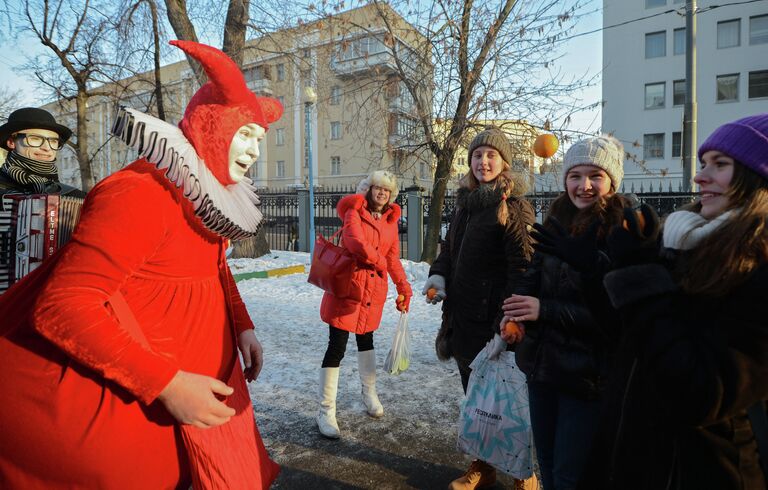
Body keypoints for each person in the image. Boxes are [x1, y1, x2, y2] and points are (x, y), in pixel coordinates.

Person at [0, 40, 282, 489]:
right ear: (212, 124)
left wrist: (242, 324)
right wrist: (167, 384)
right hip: (129, 410)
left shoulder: (204, 193)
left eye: (258, 139)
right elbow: (64, 306)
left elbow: (216, 266)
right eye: (243, 133)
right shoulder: (141, 192)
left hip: (194, 409)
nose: (252, 151)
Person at [574, 114, 768, 489]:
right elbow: (629, 340)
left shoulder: (758, 270)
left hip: (694, 470)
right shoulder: (685, 244)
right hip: (630, 452)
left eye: (720, 164)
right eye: (703, 164)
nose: (700, 177)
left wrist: (639, 277)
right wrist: (595, 275)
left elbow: (702, 394)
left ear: (757, 178)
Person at [500, 135, 631, 490]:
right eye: (575, 175)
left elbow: (614, 317)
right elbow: (534, 271)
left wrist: (545, 310)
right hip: (542, 367)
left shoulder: (622, 230)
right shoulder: (558, 216)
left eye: (595, 176)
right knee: (549, 464)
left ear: (612, 181)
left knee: (571, 476)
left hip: (586, 376)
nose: (584, 186)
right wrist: (515, 311)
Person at [423, 127, 535, 490]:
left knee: (512, 406)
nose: (483, 161)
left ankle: (524, 476)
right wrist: (438, 279)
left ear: (503, 163)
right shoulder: (465, 205)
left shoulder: (513, 206)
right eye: (477, 155)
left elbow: (523, 265)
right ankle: (483, 468)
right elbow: (448, 252)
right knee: (477, 403)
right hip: (463, 321)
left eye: (491, 155)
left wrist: (510, 320)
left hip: (498, 326)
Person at [317, 170, 413, 439]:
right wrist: (379, 262)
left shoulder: (390, 222)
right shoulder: (354, 211)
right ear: (369, 189)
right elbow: (354, 242)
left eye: (387, 190)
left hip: (373, 292)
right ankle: (326, 411)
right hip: (348, 288)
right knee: (336, 347)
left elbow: (393, 258)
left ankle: (369, 393)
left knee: (366, 341)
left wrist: (404, 287)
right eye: (378, 188)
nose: (382, 193)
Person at [0, 107, 83, 197]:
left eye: (53, 141)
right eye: (36, 139)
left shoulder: (74, 196)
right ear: (11, 142)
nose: (47, 148)